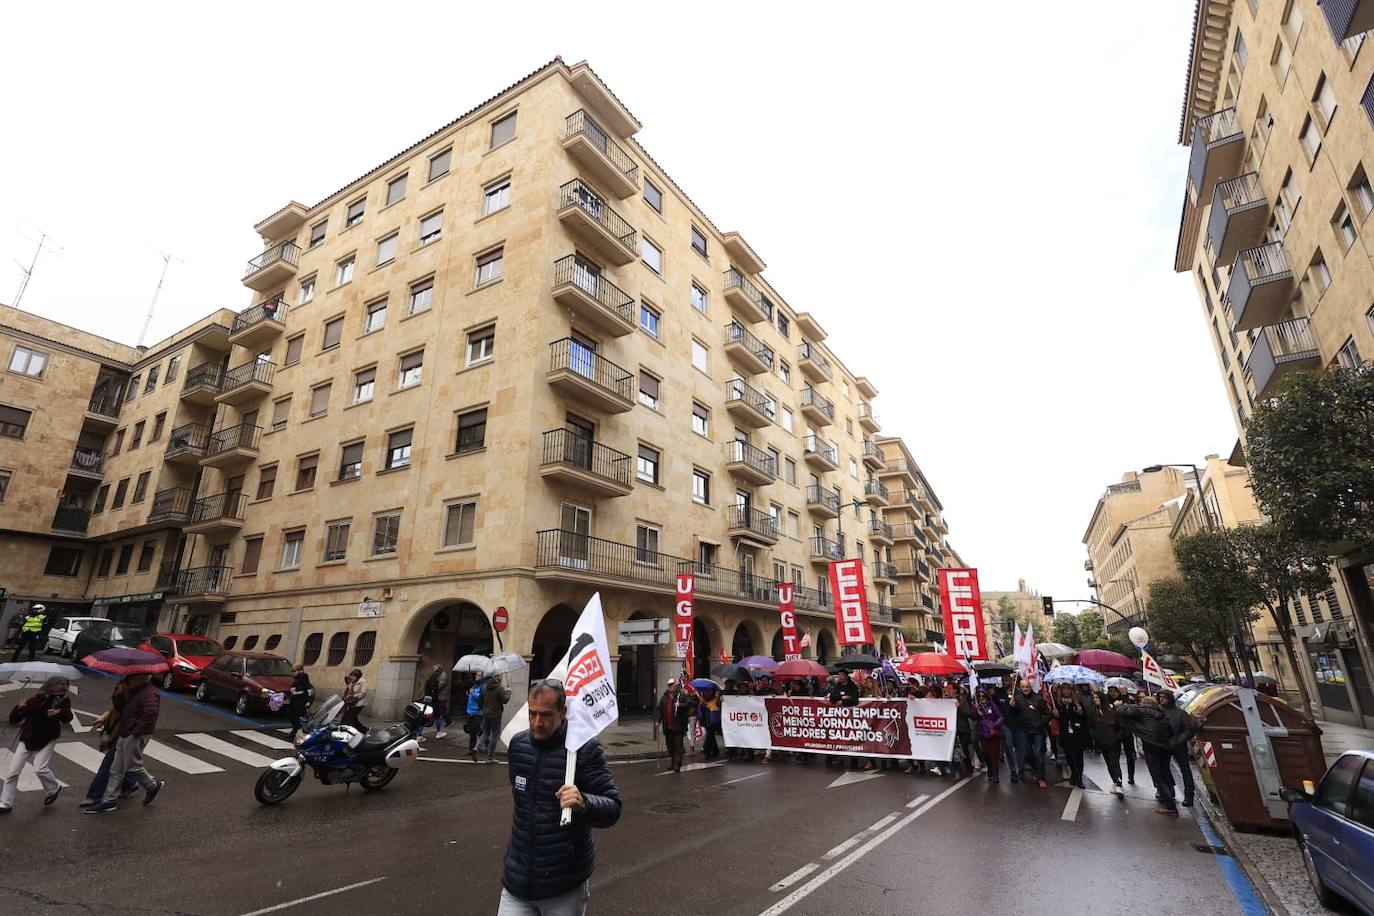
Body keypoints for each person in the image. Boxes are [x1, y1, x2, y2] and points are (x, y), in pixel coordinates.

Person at [499, 679, 621, 915]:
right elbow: (521, 801)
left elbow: (613, 808)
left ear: (563, 712)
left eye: (545, 715)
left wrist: (584, 802)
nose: (537, 722)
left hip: (563, 883)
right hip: (518, 878)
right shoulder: (518, 746)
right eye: (532, 714)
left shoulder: (584, 750)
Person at [87, 673, 163, 813]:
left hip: (134, 734)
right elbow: (119, 707)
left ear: (142, 678)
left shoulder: (149, 693)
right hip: (125, 732)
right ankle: (109, 800)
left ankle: (152, 785)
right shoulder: (134, 690)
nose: (129, 681)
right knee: (116, 769)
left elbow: (150, 714)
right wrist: (120, 693)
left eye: (132, 678)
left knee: (133, 767)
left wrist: (134, 731)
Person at [1, 676, 72, 812]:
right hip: (28, 738)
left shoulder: (64, 701)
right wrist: (18, 707)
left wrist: (59, 712)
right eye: (61, 684)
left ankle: (53, 788)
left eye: (66, 684)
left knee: (40, 768)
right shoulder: (34, 700)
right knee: (12, 772)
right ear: (51, 686)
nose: (64, 686)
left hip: (48, 739)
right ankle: (5, 803)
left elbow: (68, 718)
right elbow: (14, 720)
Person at [1117, 695, 1180, 816]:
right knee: (1165, 773)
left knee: (1158, 777)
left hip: (1151, 747)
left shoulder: (1143, 711)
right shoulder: (1161, 714)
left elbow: (1123, 711)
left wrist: (1120, 704)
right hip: (1165, 747)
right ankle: (1170, 796)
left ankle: (1169, 806)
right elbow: (1170, 731)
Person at [82, 677, 138, 807]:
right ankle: (129, 784)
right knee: (118, 764)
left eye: (121, 685)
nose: (117, 687)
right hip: (115, 734)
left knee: (107, 765)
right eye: (118, 685)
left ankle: (94, 796)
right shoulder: (120, 696)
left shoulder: (132, 699)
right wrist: (102, 719)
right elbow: (111, 710)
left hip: (124, 736)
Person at [1157, 689, 1199, 807]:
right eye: (1160, 697)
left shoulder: (1181, 713)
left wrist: (1179, 740)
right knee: (1164, 770)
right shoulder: (1159, 712)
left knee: (1185, 771)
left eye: (1164, 697)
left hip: (1179, 746)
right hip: (1164, 746)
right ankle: (1168, 792)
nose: (1161, 699)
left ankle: (1189, 796)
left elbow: (1189, 729)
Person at [1010, 679, 1052, 788]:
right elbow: (1013, 715)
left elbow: (1048, 714)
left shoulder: (1038, 698)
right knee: (1026, 754)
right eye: (1023, 687)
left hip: (1037, 731)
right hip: (1023, 731)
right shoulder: (1017, 699)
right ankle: (1035, 770)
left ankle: (1042, 777)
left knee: (1039, 754)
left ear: (1030, 687)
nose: (1025, 689)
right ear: (1020, 687)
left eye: (1027, 687)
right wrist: (1012, 707)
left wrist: (1041, 723)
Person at [1086, 691, 1125, 796]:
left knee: (1114, 762)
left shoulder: (1112, 710)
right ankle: (1115, 782)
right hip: (1101, 742)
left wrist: (1117, 737)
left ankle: (1119, 783)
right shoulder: (1093, 712)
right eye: (1094, 698)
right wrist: (1095, 737)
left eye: (1097, 697)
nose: (1095, 700)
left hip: (1113, 741)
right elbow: (1090, 726)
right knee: (1108, 763)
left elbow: (1121, 726)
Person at [654, 679, 694, 773]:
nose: (670, 687)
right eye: (669, 685)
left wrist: (680, 705)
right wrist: (657, 721)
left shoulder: (681, 695)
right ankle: (672, 761)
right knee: (670, 745)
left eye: (672, 685)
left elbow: (689, 704)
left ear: (675, 686)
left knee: (678, 745)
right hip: (668, 726)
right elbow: (660, 710)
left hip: (678, 725)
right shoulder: (665, 697)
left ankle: (677, 764)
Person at [1056, 686, 1088, 790]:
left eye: (1068, 689)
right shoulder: (1058, 704)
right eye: (1064, 689)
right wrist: (1055, 714)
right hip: (1065, 734)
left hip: (1077, 733)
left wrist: (1080, 712)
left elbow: (1085, 718)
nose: (1066, 691)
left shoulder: (1077, 702)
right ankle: (1074, 773)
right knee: (1069, 755)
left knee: (1079, 756)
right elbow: (1058, 719)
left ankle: (1079, 778)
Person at [973, 688, 1005, 783]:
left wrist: (994, 725)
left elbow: (1001, 716)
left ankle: (995, 775)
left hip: (993, 733)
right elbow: (974, 717)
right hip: (983, 734)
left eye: (983, 696)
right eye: (980, 697)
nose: (982, 698)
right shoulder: (977, 706)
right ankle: (990, 769)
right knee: (985, 754)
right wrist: (975, 709)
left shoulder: (992, 705)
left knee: (994, 755)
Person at [481, 673, 511, 763]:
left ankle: (477, 747)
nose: (501, 678)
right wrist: (509, 692)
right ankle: (490, 757)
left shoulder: (484, 687)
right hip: (496, 714)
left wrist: (483, 708)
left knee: (486, 733)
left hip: (486, 713)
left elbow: (480, 699)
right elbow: (505, 700)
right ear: (497, 677)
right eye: (500, 676)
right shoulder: (499, 688)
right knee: (494, 735)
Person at [420, 664, 450, 740]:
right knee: (436, 716)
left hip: (428, 699)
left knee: (425, 717)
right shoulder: (435, 681)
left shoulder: (431, 679)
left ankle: (419, 734)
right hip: (433, 701)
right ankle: (438, 732)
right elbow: (436, 691)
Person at [287, 664, 314, 741]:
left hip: (300, 701)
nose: (293, 673)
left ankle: (297, 732)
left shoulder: (303, 676)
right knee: (292, 715)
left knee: (296, 717)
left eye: (294, 671)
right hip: (295, 700)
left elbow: (305, 688)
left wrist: (296, 690)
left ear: (299, 670)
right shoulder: (297, 677)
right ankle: (295, 731)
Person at [466, 675, 486, 761]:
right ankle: (472, 749)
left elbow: (480, 697)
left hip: (477, 712)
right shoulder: (474, 686)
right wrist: (469, 694)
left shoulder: (482, 687)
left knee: (476, 730)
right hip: (470, 711)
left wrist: (472, 693)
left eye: (478, 675)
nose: (475, 676)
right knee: (471, 731)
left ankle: (482, 744)